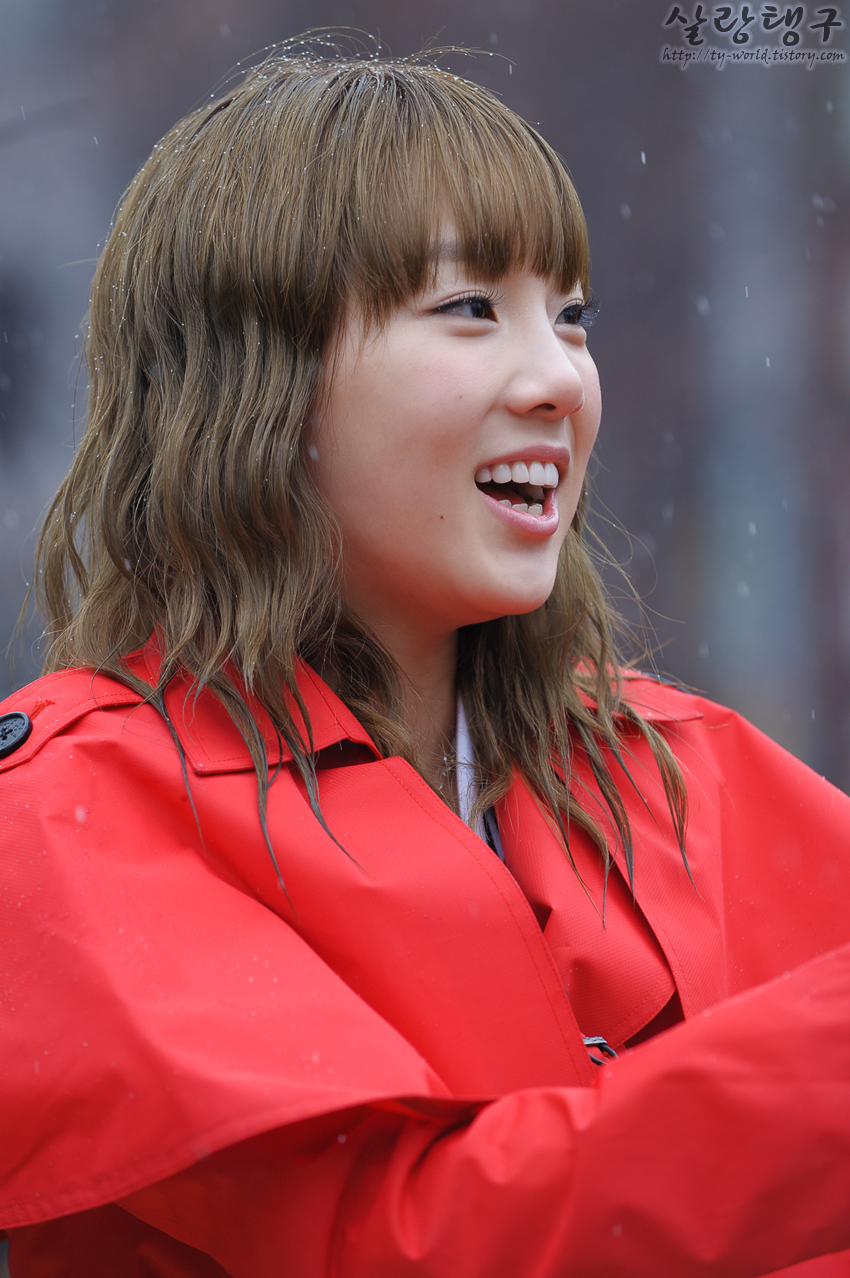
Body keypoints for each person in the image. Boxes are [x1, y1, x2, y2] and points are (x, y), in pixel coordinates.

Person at [1, 44, 849, 1278]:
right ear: (260, 385)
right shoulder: (74, 810)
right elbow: (405, 1243)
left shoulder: (685, 772)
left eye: (571, 317)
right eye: (469, 311)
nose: (558, 380)